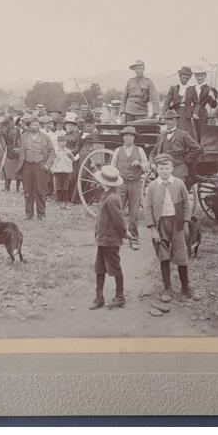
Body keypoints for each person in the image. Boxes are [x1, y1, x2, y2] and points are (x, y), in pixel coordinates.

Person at [144, 153, 193, 302]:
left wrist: (185, 222)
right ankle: (167, 288)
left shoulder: (178, 183)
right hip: (161, 225)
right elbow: (147, 208)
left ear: (172, 168)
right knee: (163, 256)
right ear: (156, 169)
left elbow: (186, 204)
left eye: (167, 168)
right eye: (161, 168)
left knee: (181, 255)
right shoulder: (152, 186)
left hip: (177, 224)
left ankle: (185, 288)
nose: (164, 171)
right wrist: (153, 228)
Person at [90, 165, 127, 310]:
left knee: (115, 268)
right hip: (102, 239)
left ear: (104, 183)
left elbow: (119, 220)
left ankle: (120, 296)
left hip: (110, 241)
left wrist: (124, 234)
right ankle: (99, 297)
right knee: (99, 268)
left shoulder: (113, 198)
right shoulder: (105, 195)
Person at [110, 126, 149, 250]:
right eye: (126, 135)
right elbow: (112, 167)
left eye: (131, 135)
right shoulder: (117, 150)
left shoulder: (140, 150)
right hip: (121, 183)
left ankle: (134, 238)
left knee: (134, 212)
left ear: (134, 138)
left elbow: (147, 166)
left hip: (135, 183)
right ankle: (117, 236)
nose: (128, 138)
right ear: (123, 137)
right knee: (117, 209)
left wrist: (140, 164)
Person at [14, 116, 55, 221]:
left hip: (40, 166)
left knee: (41, 191)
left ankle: (41, 214)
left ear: (39, 126)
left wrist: (48, 165)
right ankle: (29, 214)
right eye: (32, 125)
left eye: (36, 125)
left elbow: (52, 152)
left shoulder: (45, 137)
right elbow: (18, 148)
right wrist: (18, 150)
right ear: (29, 126)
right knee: (28, 191)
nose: (34, 127)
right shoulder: (22, 137)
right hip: (26, 166)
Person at [149, 108, 203, 187]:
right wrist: (152, 164)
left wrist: (186, 160)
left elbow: (197, 148)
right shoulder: (161, 136)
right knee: (161, 193)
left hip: (179, 168)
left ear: (176, 121)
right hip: (163, 169)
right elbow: (152, 153)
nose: (169, 122)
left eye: (171, 120)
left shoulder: (183, 134)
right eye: (167, 120)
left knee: (176, 192)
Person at [160, 65, 198, 136]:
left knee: (187, 136)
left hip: (187, 116)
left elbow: (197, 103)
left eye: (187, 78)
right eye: (183, 78)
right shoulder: (173, 88)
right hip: (175, 114)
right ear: (180, 76)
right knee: (174, 135)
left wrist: (195, 112)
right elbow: (166, 103)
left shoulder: (192, 89)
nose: (185, 80)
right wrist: (162, 115)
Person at [190, 66, 218, 141]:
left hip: (201, 115)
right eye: (198, 76)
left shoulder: (209, 89)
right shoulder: (191, 88)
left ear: (205, 76)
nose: (200, 78)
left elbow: (213, 105)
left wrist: (213, 97)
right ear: (195, 76)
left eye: (202, 76)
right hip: (191, 113)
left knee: (200, 135)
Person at [50, 132, 75, 208]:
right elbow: (52, 160)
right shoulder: (55, 151)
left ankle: (65, 201)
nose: (63, 143)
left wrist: (71, 157)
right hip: (58, 170)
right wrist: (52, 168)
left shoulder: (68, 151)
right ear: (58, 142)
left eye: (64, 141)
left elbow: (72, 159)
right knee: (58, 186)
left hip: (66, 171)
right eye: (61, 142)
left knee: (65, 186)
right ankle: (58, 200)